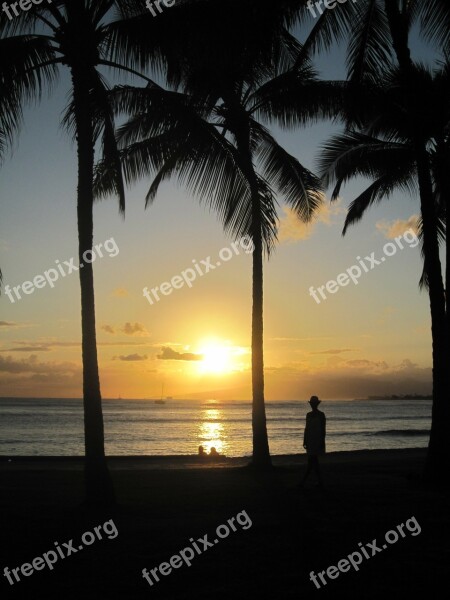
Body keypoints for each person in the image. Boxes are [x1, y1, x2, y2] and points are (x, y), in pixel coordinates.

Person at [300, 396, 326, 488]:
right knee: (314, 461)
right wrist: (305, 440)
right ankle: (319, 481)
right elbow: (306, 429)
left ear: (316, 404)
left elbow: (323, 429)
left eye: (313, 404)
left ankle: (304, 481)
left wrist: (322, 441)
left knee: (312, 461)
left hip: (316, 440)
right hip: (311, 440)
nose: (312, 405)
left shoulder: (321, 415)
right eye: (311, 404)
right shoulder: (308, 415)